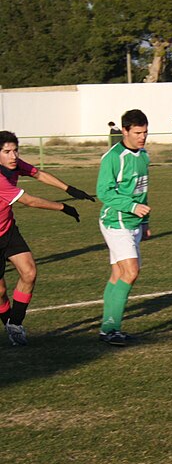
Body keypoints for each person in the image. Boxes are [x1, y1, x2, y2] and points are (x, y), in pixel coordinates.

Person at [0, 131, 87, 345]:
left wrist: (70, 188)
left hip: (8, 230)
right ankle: (9, 323)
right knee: (0, 292)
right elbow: (28, 201)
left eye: (15, 150)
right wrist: (63, 206)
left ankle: (15, 324)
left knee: (29, 272)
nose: (13, 156)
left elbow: (38, 173)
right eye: (6, 152)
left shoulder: (14, 164)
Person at [97, 109, 151, 346]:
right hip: (115, 221)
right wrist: (131, 206)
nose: (142, 137)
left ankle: (107, 327)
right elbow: (104, 192)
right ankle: (112, 329)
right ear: (125, 130)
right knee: (131, 272)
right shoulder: (113, 157)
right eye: (138, 132)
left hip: (133, 222)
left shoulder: (144, 155)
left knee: (119, 274)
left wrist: (145, 221)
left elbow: (143, 190)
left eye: (145, 132)